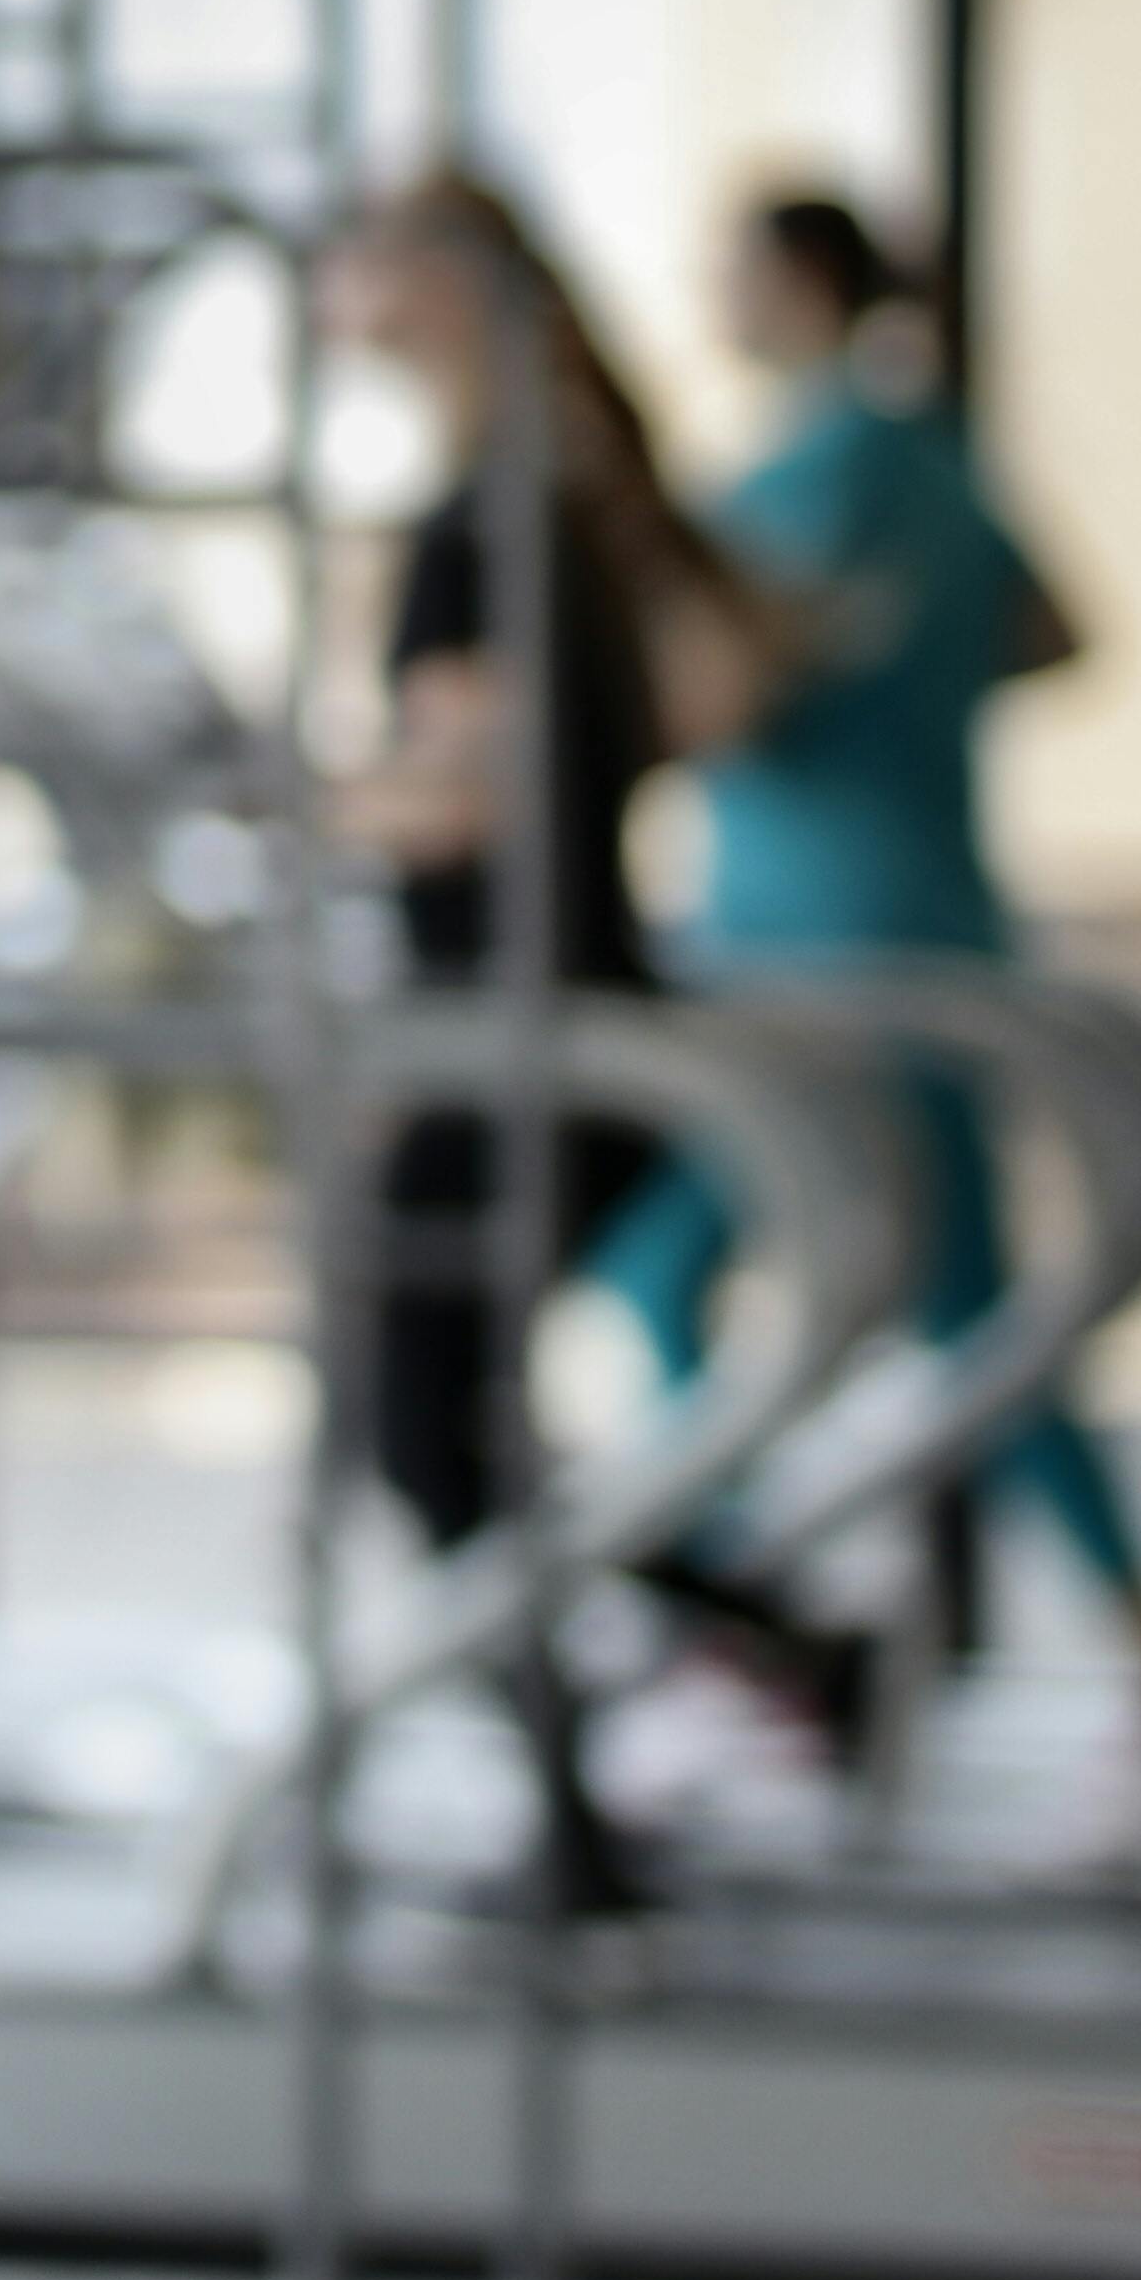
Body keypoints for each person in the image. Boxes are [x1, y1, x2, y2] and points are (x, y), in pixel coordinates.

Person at [594, 190, 1141, 1788]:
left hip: (808, 951)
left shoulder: (799, 475)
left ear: (803, 284)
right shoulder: (937, 459)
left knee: (675, 1270)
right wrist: (910, 676)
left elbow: (723, 699)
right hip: (935, 914)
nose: (712, 303)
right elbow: (1056, 634)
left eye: (732, 276)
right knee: (964, 1315)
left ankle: (746, 1614)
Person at [314, 175, 787, 1888]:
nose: (326, 291)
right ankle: (766, 1638)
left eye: (353, 257)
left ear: (432, 289)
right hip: (579, 1029)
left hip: (528, 1047)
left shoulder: (478, 524)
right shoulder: (566, 500)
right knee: (461, 1422)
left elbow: (465, 795)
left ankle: (581, 1814)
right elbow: (688, 710)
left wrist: (297, 804)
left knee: (423, 1423)